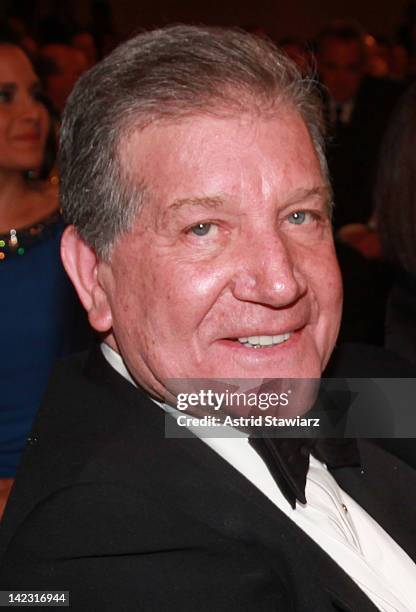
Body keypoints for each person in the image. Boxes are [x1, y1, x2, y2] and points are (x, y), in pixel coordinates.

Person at [0, 26, 415, 611]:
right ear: (94, 275)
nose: (281, 282)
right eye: (203, 229)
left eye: (299, 216)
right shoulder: (102, 546)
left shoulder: (325, 389)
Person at [0, 32, 90, 510]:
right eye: (3, 97)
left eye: (35, 95)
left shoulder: (76, 229)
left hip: (63, 487)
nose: (32, 113)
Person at [316, 21, 403, 229]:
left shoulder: (386, 108)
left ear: (364, 68)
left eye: (351, 68)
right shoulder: (302, 101)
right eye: (332, 66)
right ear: (318, 64)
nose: (341, 78)